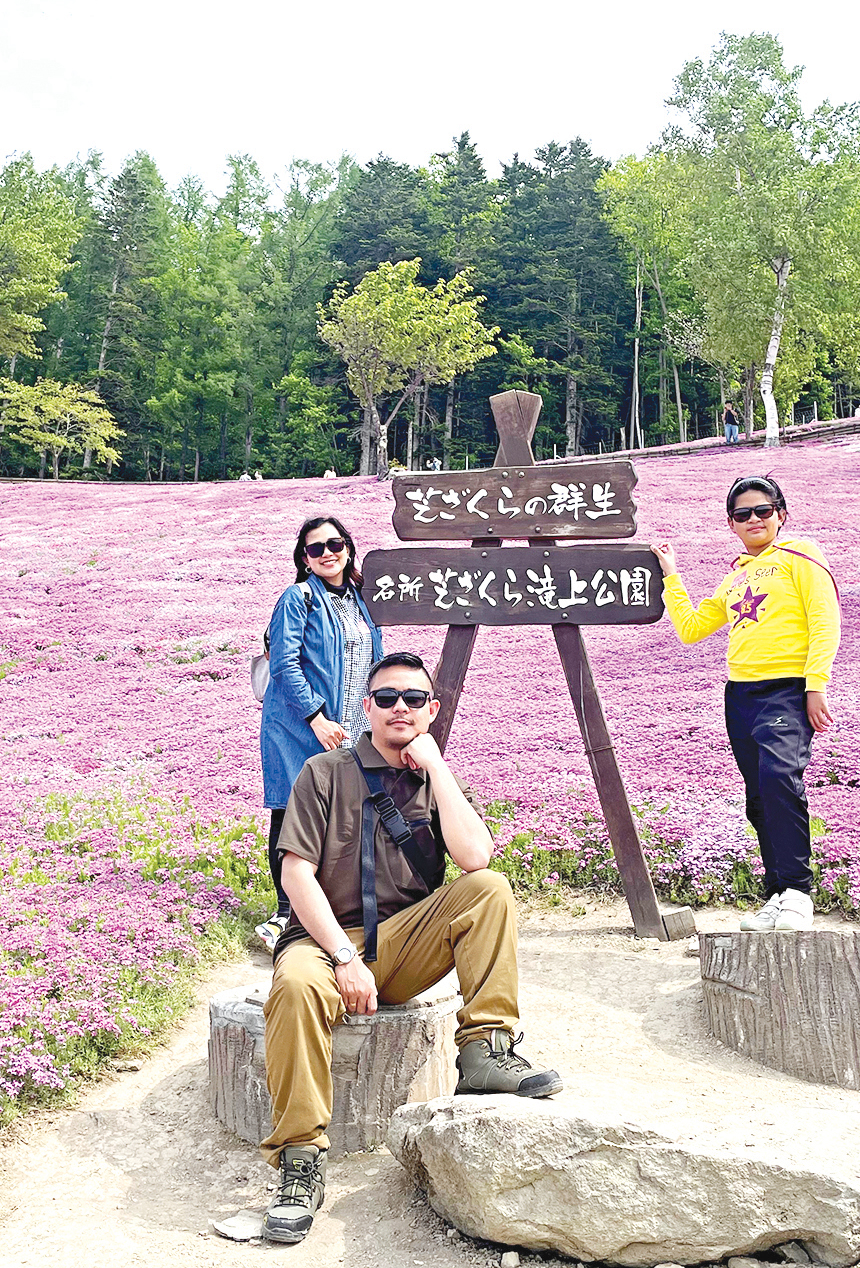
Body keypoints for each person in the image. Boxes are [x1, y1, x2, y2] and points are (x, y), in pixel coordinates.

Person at [259, 652, 563, 1244]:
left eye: (414, 699)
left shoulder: (432, 779)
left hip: (403, 942)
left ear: (432, 709)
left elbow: (477, 860)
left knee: (489, 891)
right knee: (295, 987)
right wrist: (345, 960)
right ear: (367, 706)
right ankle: (301, 1160)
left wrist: (439, 769)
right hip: (324, 941)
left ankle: (484, 1054)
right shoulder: (323, 771)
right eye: (388, 696)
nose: (401, 707)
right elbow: (296, 874)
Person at [651, 475, 840, 933]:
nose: (754, 519)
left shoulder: (801, 555)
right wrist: (671, 577)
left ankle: (798, 891)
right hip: (739, 694)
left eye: (763, 510)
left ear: (781, 514)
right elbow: (693, 628)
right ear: (731, 523)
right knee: (758, 795)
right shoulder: (735, 576)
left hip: (786, 688)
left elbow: (824, 617)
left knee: (780, 779)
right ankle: (777, 893)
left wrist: (816, 684)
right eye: (743, 514)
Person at [257, 516, 382, 951]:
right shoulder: (298, 598)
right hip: (301, 726)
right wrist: (315, 717)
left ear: (348, 547)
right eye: (316, 548)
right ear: (305, 560)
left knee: (343, 814)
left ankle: (331, 903)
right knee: (293, 810)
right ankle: (285, 911)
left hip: (355, 725)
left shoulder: (362, 600)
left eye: (335, 543)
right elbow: (284, 664)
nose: (327, 552)